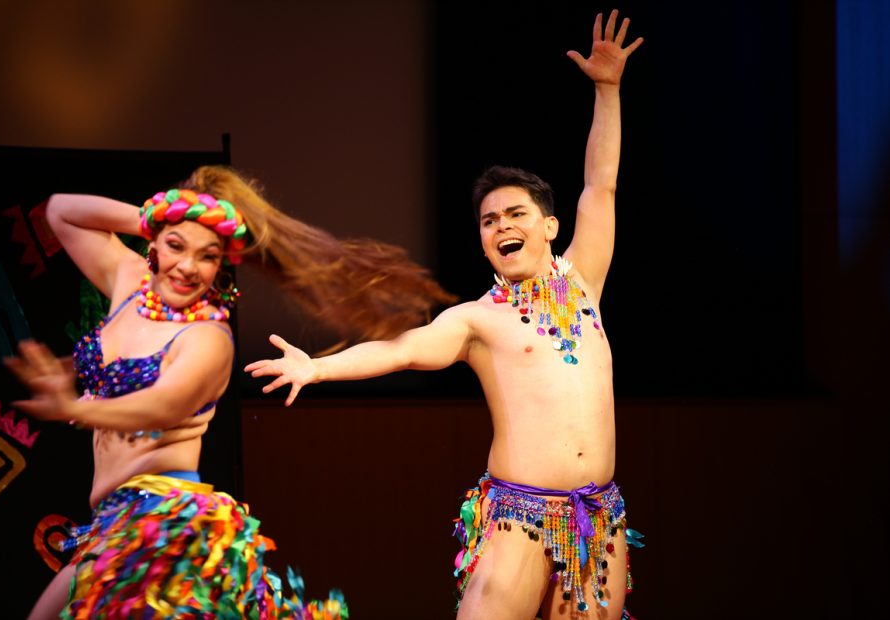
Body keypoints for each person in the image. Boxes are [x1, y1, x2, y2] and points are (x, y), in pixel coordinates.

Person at [245, 10, 644, 619]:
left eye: (515, 214)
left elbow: (601, 185)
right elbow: (402, 349)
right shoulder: (477, 321)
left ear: (549, 227)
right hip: (520, 517)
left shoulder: (584, 282)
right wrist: (318, 370)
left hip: (598, 519)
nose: (502, 226)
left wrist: (608, 91)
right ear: (483, 242)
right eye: (489, 221)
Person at [7, 165, 455, 619]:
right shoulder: (127, 282)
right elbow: (62, 210)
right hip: (113, 523)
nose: (187, 267)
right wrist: (162, 216)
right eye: (176, 245)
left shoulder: (208, 337)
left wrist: (75, 407)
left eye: (207, 255)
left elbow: (163, 405)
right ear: (153, 241)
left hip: (163, 523)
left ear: (221, 263)